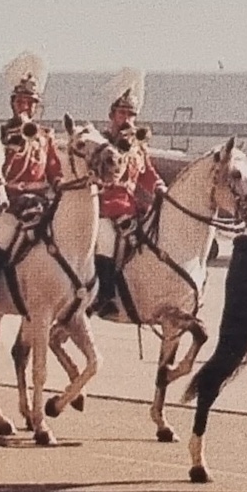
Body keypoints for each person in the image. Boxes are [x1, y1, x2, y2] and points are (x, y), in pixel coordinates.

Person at [0, 52, 62, 306]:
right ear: (13, 103)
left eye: (31, 102)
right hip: (9, 200)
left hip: (39, 201)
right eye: (22, 101)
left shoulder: (45, 135)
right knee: (5, 233)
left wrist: (59, 185)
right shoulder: (0, 134)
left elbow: (53, 167)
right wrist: (13, 147)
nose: (26, 106)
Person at [91, 67, 165, 314]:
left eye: (131, 114)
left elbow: (146, 173)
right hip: (103, 207)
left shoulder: (137, 145)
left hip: (131, 207)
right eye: (122, 113)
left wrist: (159, 187)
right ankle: (105, 296)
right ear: (112, 115)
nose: (127, 119)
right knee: (106, 241)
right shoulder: (101, 144)